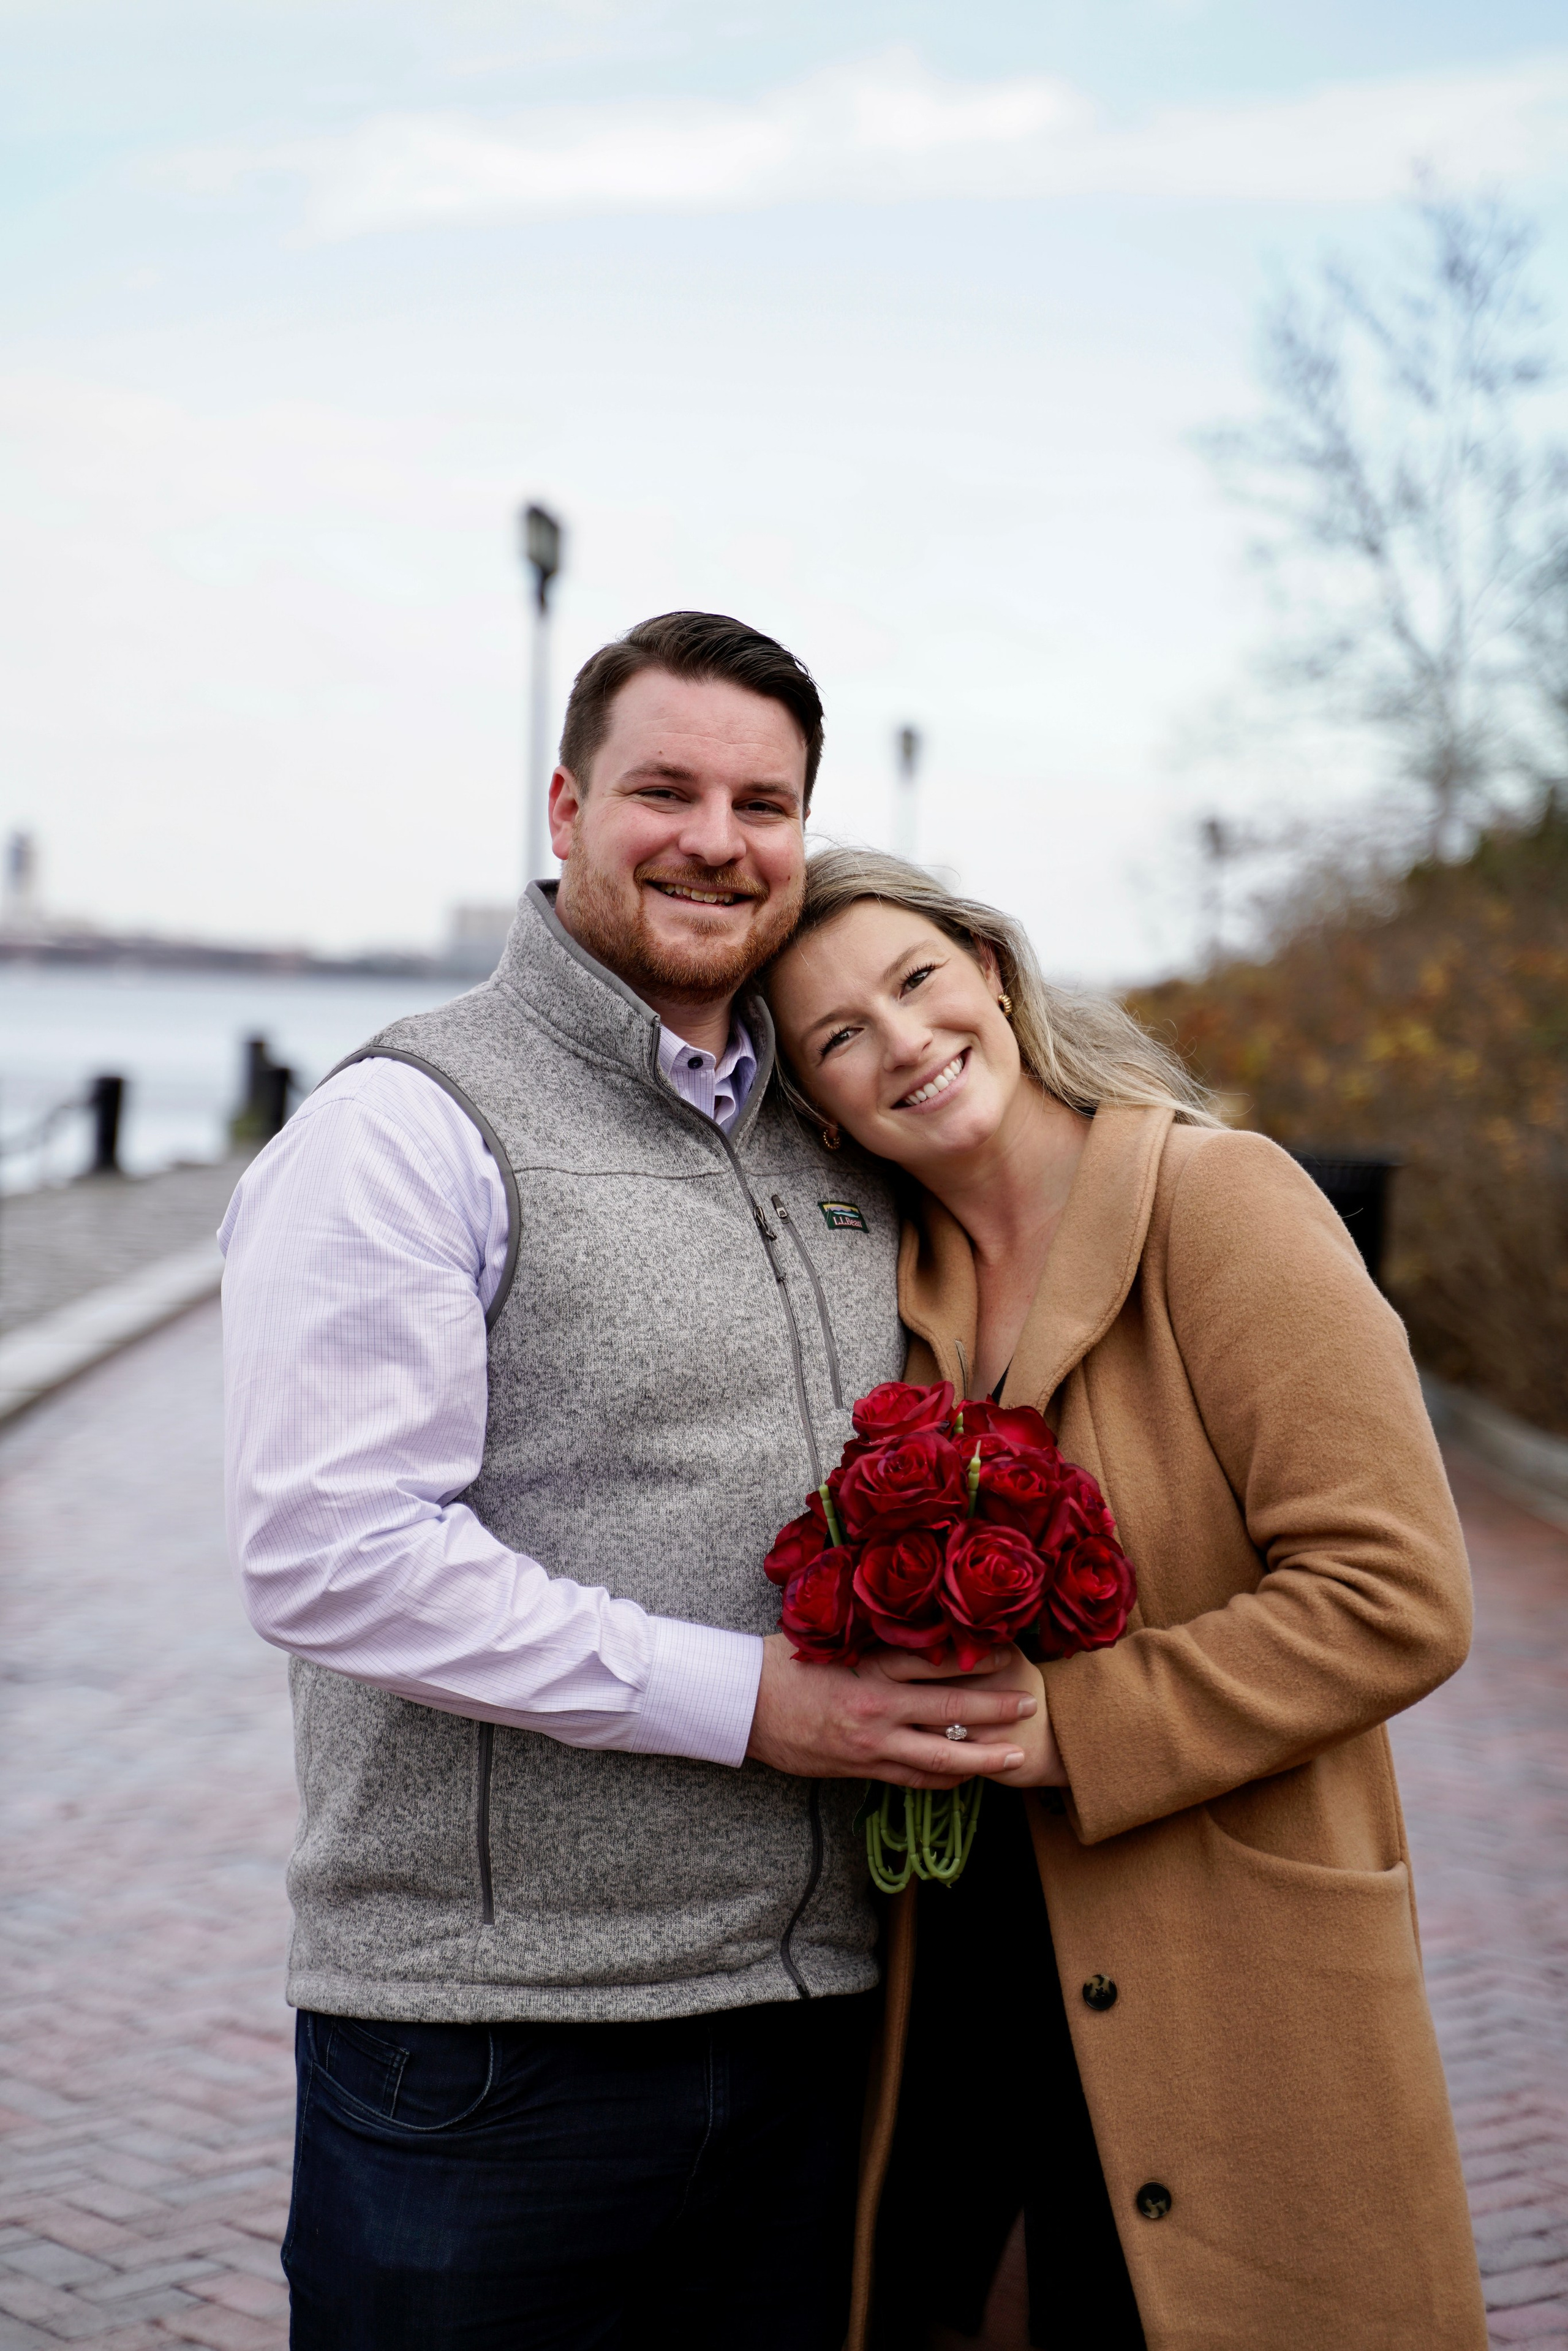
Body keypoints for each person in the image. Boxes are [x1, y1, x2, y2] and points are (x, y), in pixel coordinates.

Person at [219, 619, 1036, 2350]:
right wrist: (758, 1703)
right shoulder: (408, 1123)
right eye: (665, 789)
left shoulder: (833, 1135)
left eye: (766, 800)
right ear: (569, 804)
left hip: (822, 2024)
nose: (715, 838)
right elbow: (334, 1554)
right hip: (496, 2049)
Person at [765, 847, 1488, 2351]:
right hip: (953, 1965)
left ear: (993, 974)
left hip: (1219, 1953)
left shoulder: (1219, 1200)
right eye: (838, 1036)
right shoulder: (897, 1287)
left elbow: (1396, 1591)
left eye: (915, 982)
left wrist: (1067, 1722)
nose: (899, 1041)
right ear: (815, 1102)